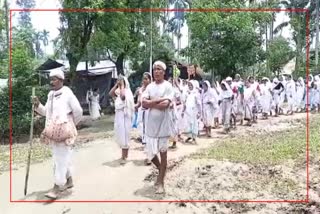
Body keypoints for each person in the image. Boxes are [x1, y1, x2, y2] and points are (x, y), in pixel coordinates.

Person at [32, 69, 83, 200]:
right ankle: (69, 180)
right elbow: (45, 112)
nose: (51, 81)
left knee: (60, 160)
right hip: (53, 133)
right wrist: (37, 105)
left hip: (64, 133)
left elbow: (78, 111)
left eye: (54, 79)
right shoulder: (50, 95)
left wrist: (70, 124)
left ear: (61, 80)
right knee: (59, 157)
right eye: (51, 79)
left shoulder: (67, 93)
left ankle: (56, 187)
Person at [142, 60, 174, 194]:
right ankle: (162, 170)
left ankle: (160, 182)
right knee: (150, 154)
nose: (156, 72)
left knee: (163, 153)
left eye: (159, 69)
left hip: (163, 126)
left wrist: (151, 102)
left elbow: (165, 105)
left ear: (164, 72)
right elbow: (143, 103)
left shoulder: (168, 86)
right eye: (155, 69)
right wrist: (158, 100)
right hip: (150, 126)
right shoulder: (149, 87)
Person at [109, 76, 135, 165]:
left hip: (125, 116)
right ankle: (123, 155)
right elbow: (110, 93)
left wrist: (122, 86)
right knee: (120, 134)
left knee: (125, 134)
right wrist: (117, 84)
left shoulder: (127, 92)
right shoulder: (118, 91)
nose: (119, 82)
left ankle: (125, 156)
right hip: (119, 115)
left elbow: (123, 97)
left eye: (121, 81)